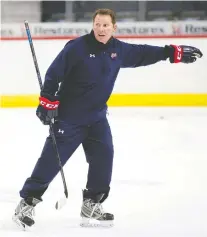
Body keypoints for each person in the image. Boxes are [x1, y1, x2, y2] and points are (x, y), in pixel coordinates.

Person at [13, 8, 203, 229]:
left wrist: (172, 53)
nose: (101, 29)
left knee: (104, 157)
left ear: (114, 28)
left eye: (105, 25)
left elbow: (142, 53)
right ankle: (26, 203)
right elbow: (54, 74)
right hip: (69, 118)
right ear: (92, 25)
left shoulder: (117, 49)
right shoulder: (77, 48)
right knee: (51, 162)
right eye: (97, 24)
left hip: (97, 118)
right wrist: (47, 101)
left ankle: (91, 204)